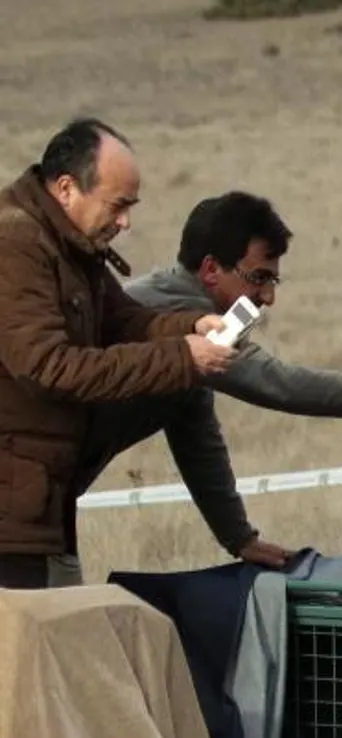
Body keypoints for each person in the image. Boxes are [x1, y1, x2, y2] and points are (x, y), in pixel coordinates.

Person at [45, 190, 342, 585]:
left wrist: (239, 538)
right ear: (209, 270)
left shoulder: (192, 344)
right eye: (258, 278)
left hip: (46, 504)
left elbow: (196, 440)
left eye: (274, 281)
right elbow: (275, 382)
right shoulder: (177, 315)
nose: (268, 297)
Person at [0, 117, 234, 590]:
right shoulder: (16, 244)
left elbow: (125, 320)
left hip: (41, 511)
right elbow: (48, 368)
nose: (126, 221)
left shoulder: (69, 243)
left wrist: (192, 324)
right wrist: (181, 358)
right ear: (66, 188)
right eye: (118, 205)